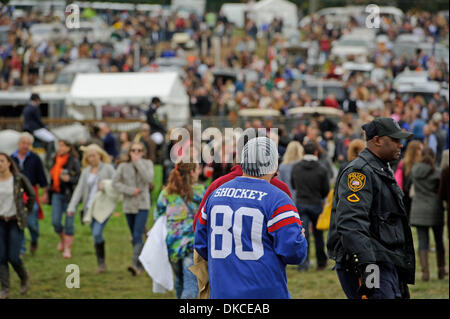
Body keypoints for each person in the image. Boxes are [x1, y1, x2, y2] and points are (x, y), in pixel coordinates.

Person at [194, 137, 307, 299]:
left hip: (222, 292)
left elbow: (201, 243)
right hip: (264, 291)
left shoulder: (216, 194)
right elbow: (294, 252)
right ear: (274, 164)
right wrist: (299, 238)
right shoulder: (278, 198)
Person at [327, 117, 415, 299]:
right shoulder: (359, 172)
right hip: (371, 262)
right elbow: (351, 222)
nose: (400, 145)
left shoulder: (381, 168)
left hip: (386, 259)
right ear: (377, 140)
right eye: (395, 140)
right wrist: (367, 265)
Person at [154, 162, 205, 298]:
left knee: (180, 280)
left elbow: (158, 216)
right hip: (193, 244)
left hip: (172, 244)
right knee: (191, 283)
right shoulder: (200, 192)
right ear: (192, 172)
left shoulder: (166, 193)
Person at [67, 144, 115, 273]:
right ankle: (101, 263)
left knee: (97, 232)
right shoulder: (86, 171)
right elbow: (79, 190)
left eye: (94, 155)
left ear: (100, 155)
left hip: (103, 207)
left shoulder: (108, 169)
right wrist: (72, 207)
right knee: (95, 235)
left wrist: (105, 186)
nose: (92, 158)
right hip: (89, 208)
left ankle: (101, 263)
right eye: (89, 156)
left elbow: (116, 184)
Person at [112, 142, 154, 276]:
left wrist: (138, 163)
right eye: (133, 150)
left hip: (143, 205)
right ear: (129, 152)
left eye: (139, 150)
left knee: (137, 234)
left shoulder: (147, 164)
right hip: (129, 205)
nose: (136, 153)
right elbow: (115, 183)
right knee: (135, 236)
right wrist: (130, 190)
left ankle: (135, 265)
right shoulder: (123, 166)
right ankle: (142, 263)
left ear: (143, 152)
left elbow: (149, 179)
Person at [0, 153, 36, 299]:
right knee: (1, 257)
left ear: (9, 163)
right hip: (0, 221)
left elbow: (32, 195)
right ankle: (5, 289)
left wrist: (25, 211)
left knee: (14, 257)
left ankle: (24, 277)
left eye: (1, 161)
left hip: (15, 221)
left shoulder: (18, 179)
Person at [291, 141, 330, 271]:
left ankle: (303, 264)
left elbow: (293, 185)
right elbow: (326, 189)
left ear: (303, 153)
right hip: (316, 203)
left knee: (303, 235)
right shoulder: (322, 168)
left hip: (301, 203)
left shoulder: (296, 167)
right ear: (316, 152)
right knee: (318, 235)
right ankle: (321, 262)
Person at [409, 147, 446, 281]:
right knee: (439, 241)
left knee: (422, 242)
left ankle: (425, 273)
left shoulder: (414, 170)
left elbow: (409, 186)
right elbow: (441, 191)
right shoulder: (437, 172)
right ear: (433, 156)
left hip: (418, 209)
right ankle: (441, 270)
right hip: (435, 209)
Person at [11, 132, 48, 256]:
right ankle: (21, 249)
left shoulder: (35, 158)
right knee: (19, 222)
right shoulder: (11, 159)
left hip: (31, 194)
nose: (26, 146)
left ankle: (34, 239)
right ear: (18, 144)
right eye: (23, 143)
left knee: (32, 223)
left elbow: (41, 177)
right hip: (16, 194)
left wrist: (45, 193)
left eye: (28, 144)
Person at [49, 140, 81, 259]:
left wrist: (70, 179)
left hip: (70, 196)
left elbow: (79, 178)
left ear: (68, 148)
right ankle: (63, 239)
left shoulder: (74, 161)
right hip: (57, 193)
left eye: (63, 146)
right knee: (55, 222)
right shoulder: (54, 159)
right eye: (59, 145)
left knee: (69, 223)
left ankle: (68, 248)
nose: (60, 148)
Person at [394, 141, 423, 218]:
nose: (421, 151)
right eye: (420, 149)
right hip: (409, 195)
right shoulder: (415, 164)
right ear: (415, 151)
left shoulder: (403, 163)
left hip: (408, 195)